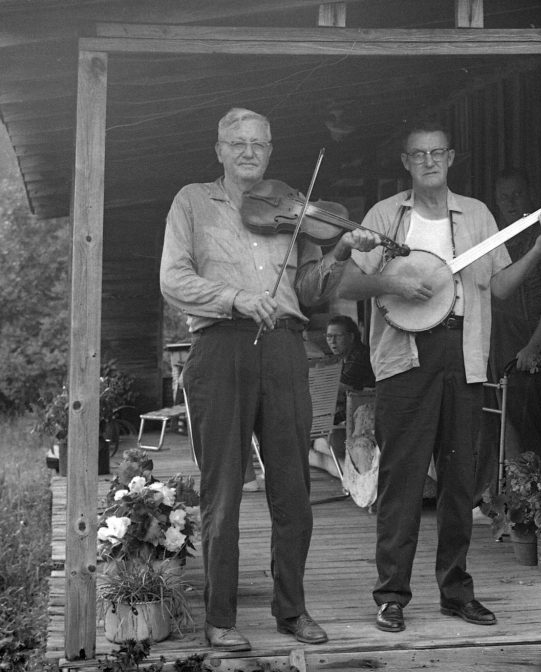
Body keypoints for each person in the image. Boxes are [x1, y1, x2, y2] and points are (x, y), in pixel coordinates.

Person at [159, 107, 380, 651]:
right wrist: (235, 298)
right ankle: (220, 617)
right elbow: (173, 278)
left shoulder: (293, 211)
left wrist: (343, 250)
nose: (248, 151)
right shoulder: (192, 201)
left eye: (258, 143)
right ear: (219, 149)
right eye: (237, 142)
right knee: (224, 490)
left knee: (292, 488)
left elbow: (309, 291)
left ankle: (292, 610)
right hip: (220, 347)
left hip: (284, 347)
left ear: (270, 149)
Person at [337, 117, 541, 633]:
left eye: (437, 153)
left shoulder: (478, 214)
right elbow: (347, 281)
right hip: (405, 356)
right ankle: (392, 595)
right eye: (418, 155)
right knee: (402, 476)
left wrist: (540, 248)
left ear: (451, 157)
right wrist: (392, 281)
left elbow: (502, 287)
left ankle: (456, 592)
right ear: (406, 162)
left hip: (463, 352)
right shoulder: (385, 216)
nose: (429, 161)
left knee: (460, 479)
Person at [486, 169, 541, 463]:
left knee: (531, 428)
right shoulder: (496, 237)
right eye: (503, 197)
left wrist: (534, 347)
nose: (510, 203)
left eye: (517, 194)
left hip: (532, 346)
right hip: (500, 345)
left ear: (531, 194)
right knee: (502, 422)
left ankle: (534, 498)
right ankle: (510, 496)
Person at [325, 314, 376, 423]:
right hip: (354, 410)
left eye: (338, 336)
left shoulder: (359, 356)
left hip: (367, 414)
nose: (333, 341)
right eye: (329, 336)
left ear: (351, 337)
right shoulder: (345, 357)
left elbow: (337, 388)